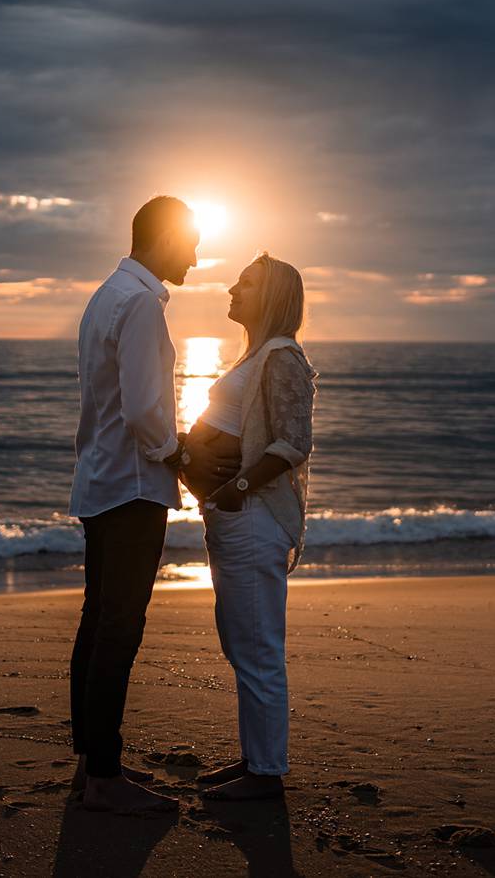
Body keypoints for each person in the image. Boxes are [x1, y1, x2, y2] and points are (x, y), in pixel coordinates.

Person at [67, 195, 240, 815]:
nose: (195, 257)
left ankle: (91, 762)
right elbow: (143, 411)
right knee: (120, 626)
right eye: (190, 243)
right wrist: (179, 455)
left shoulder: (107, 294)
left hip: (99, 480)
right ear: (163, 238)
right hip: (132, 487)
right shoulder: (139, 303)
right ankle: (105, 780)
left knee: (98, 620)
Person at [182, 253, 317, 802]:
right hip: (235, 518)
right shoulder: (255, 356)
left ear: (275, 296)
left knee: (258, 645)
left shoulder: (282, 356)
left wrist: (234, 489)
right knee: (242, 642)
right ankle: (254, 760)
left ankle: (266, 775)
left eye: (248, 282)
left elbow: (292, 441)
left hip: (255, 518)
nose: (233, 288)